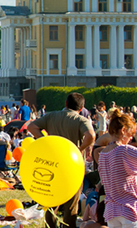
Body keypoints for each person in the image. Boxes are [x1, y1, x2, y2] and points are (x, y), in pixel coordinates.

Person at [26, 92, 96, 228]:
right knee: (72, 204)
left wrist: (45, 140)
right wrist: (80, 148)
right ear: (81, 108)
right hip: (73, 166)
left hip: (53, 163)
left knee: (52, 200)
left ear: (65, 103)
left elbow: (31, 127)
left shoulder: (51, 116)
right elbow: (91, 135)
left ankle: (50, 226)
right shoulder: (81, 120)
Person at [97, 107, 137, 228]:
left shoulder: (102, 155)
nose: (131, 138)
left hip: (111, 211)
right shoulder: (125, 151)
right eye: (131, 135)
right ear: (124, 130)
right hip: (129, 209)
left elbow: (103, 182)